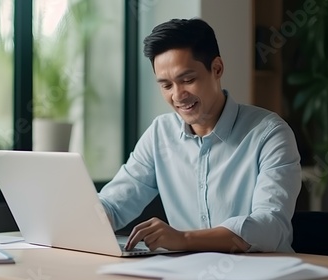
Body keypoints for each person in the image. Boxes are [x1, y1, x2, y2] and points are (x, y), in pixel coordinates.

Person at [98, 18, 301, 253]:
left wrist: (184, 238)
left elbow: (269, 228)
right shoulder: (160, 133)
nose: (178, 95)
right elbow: (114, 204)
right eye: (166, 85)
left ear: (217, 69)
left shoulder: (270, 134)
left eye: (187, 80)